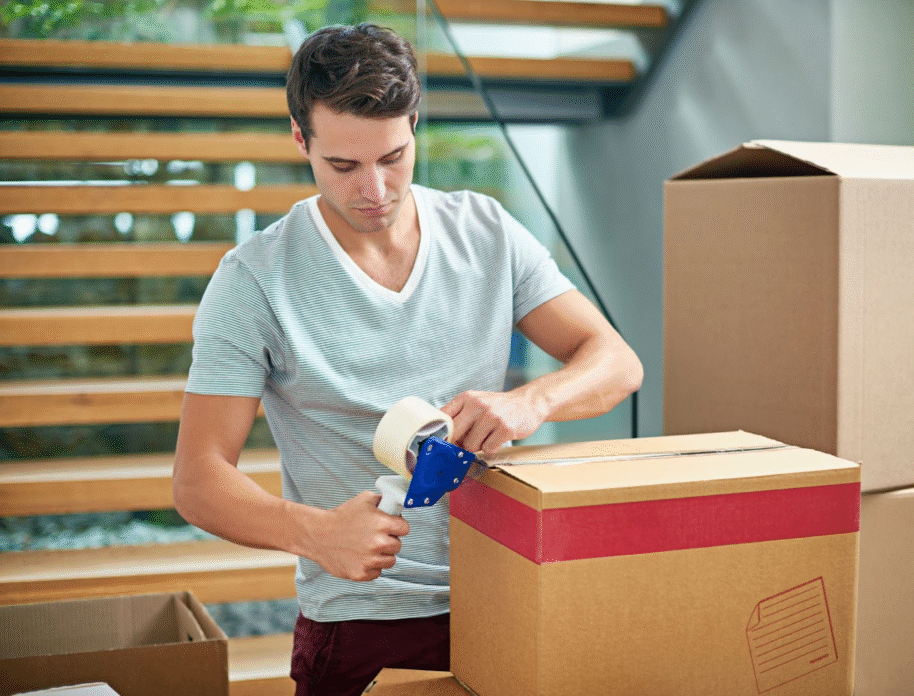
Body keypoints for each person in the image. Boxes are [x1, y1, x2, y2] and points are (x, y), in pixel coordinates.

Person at [172, 22, 643, 696]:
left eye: (393, 157)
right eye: (344, 165)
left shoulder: (486, 231)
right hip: (363, 625)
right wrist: (317, 534)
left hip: (510, 590)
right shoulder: (254, 281)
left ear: (415, 124)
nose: (375, 189)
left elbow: (617, 362)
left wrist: (529, 400)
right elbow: (196, 480)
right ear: (301, 140)